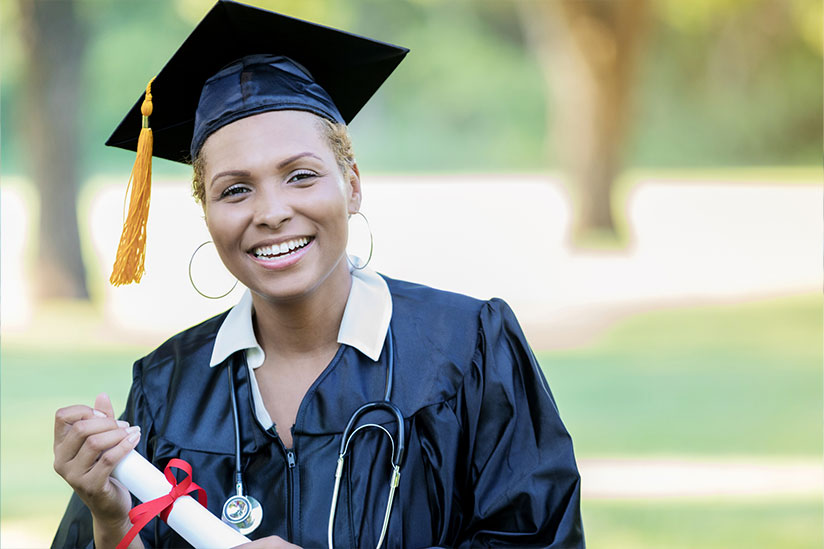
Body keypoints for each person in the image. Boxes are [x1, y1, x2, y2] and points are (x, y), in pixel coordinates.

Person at [52, 2, 584, 548]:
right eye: (235, 189)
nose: (272, 211)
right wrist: (113, 521)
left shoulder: (468, 350)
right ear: (207, 213)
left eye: (301, 176)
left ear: (352, 184)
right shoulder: (169, 390)